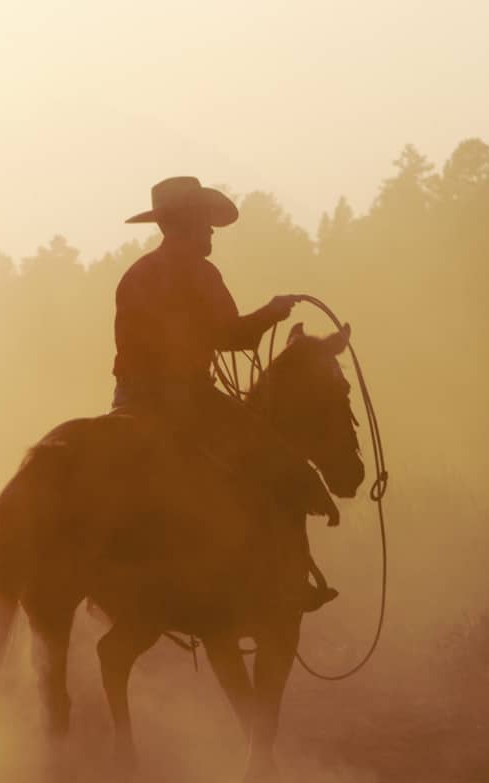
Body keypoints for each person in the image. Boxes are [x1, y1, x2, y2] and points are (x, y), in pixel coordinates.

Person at [112, 176, 338, 611]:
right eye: (205, 222)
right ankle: (287, 579)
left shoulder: (136, 274)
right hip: (185, 401)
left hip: (128, 400)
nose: (211, 231)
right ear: (190, 222)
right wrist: (273, 312)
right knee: (270, 452)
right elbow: (232, 337)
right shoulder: (198, 270)